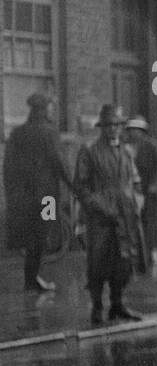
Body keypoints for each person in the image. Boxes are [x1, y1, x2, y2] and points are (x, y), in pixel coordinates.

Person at [75, 105, 146, 323]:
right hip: (101, 219)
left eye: (117, 125)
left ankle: (118, 304)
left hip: (125, 217)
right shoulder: (89, 150)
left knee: (123, 262)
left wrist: (137, 202)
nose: (113, 129)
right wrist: (99, 206)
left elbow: (135, 181)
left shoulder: (126, 151)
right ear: (102, 127)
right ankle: (97, 307)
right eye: (109, 125)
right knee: (98, 262)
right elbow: (81, 186)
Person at [3, 91, 73, 292]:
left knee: (31, 236)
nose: (51, 111)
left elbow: (7, 167)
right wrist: (75, 187)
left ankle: (31, 278)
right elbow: (60, 162)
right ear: (43, 110)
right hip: (47, 198)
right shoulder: (49, 132)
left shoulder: (17, 134)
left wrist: (11, 194)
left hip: (22, 198)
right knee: (43, 234)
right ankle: (32, 279)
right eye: (50, 108)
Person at [125, 116, 157, 276]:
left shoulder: (151, 146)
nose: (132, 133)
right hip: (135, 190)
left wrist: (155, 185)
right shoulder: (127, 147)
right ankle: (139, 253)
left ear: (142, 132)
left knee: (152, 222)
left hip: (152, 191)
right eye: (130, 130)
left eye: (136, 130)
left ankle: (154, 251)